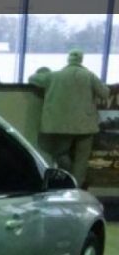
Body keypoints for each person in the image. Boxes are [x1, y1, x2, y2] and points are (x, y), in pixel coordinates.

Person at [29, 50, 110, 187]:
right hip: (86, 125)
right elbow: (105, 93)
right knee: (82, 159)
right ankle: (76, 186)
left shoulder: (54, 76)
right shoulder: (89, 76)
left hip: (62, 125)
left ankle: (67, 176)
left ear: (68, 59)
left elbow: (33, 78)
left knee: (60, 153)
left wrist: (42, 72)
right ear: (81, 60)